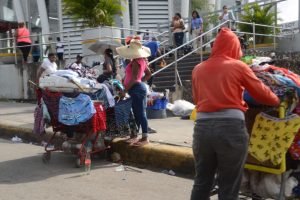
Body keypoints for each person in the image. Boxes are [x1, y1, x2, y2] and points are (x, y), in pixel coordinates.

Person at [190, 28, 280, 200]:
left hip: (202, 130)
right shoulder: (238, 66)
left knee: (202, 181)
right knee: (229, 184)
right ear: (234, 47)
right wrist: (276, 101)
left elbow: (197, 99)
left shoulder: (198, 69)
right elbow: (261, 92)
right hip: (230, 129)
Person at [116, 38, 152, 146]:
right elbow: (148, 74)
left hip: (136, 89)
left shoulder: (136, 62)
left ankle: (145, 137)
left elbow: (134, 79)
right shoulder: (141, 60)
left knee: (140, 113)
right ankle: (136, 136)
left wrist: (124, 90)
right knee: (137, 113)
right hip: (137, 88)